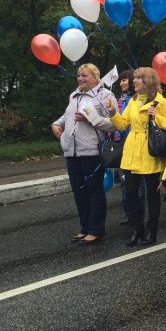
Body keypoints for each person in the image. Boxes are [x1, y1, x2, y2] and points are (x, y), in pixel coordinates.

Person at [51, 63, 117, 245]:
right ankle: (85, 227)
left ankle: (96, 229)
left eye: (85, 76)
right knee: (79, 190)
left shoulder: (104, 95)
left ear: (96, 77)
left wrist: (92, 119)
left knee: (94, 190)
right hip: (71, 151)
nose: (80, 79)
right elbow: (68, 116)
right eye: (79, 75)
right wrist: (57, 124)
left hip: (91, 150)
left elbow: (113, 123)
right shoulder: (74, 94)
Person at [109, 67, 166, 247]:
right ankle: (137, 229)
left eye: (138, 78)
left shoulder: (162, 102)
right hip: (131, 151)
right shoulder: (133, 100)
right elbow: (123, 125)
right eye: (135, 78)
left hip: (149, 150)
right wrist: (112, 113)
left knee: (152, 195)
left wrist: (158, 117)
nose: (134, 81)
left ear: (149, 81)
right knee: (130, 193)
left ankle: (152, 231)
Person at [113, 70, 140, 225]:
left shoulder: (136, 100)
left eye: (125, 80)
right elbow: (119, 122)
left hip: (135, 144)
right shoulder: (118, 101)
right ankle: (128, 213)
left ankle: (138, 214)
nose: (122, 83)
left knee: (137, 184)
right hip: (120, 145)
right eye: (121, 80)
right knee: (124, 182)